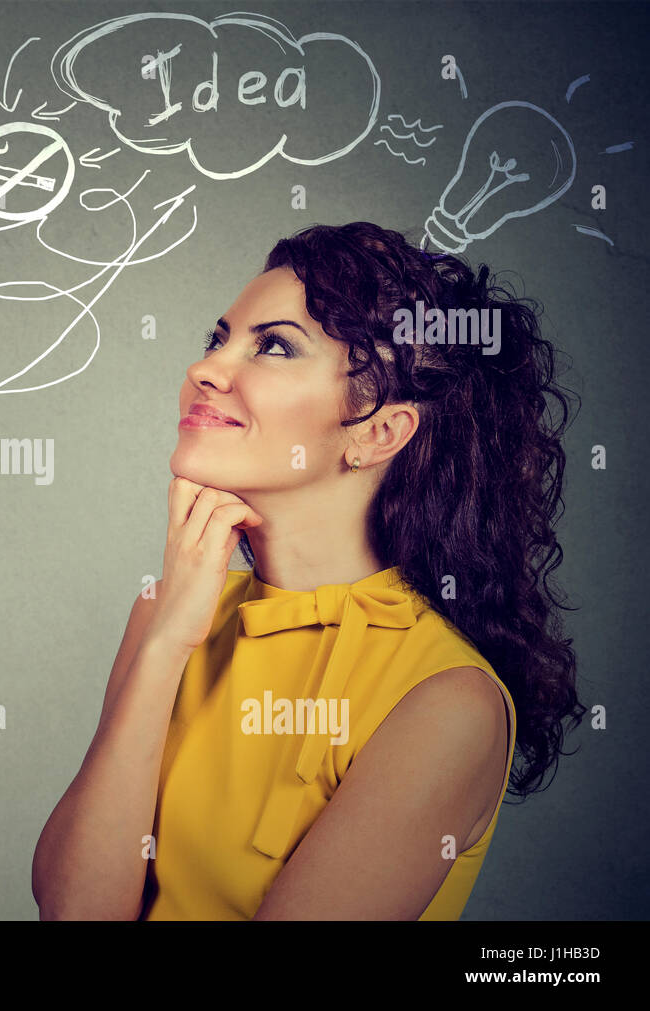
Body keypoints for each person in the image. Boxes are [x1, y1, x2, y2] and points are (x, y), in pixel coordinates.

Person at [31, 221, 584, 920]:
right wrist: (168, 640)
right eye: (218, 337)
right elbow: (72, 911)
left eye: (273, 346)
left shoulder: (447, 700)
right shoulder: (165, 613)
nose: (207, 368)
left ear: (378, 432)